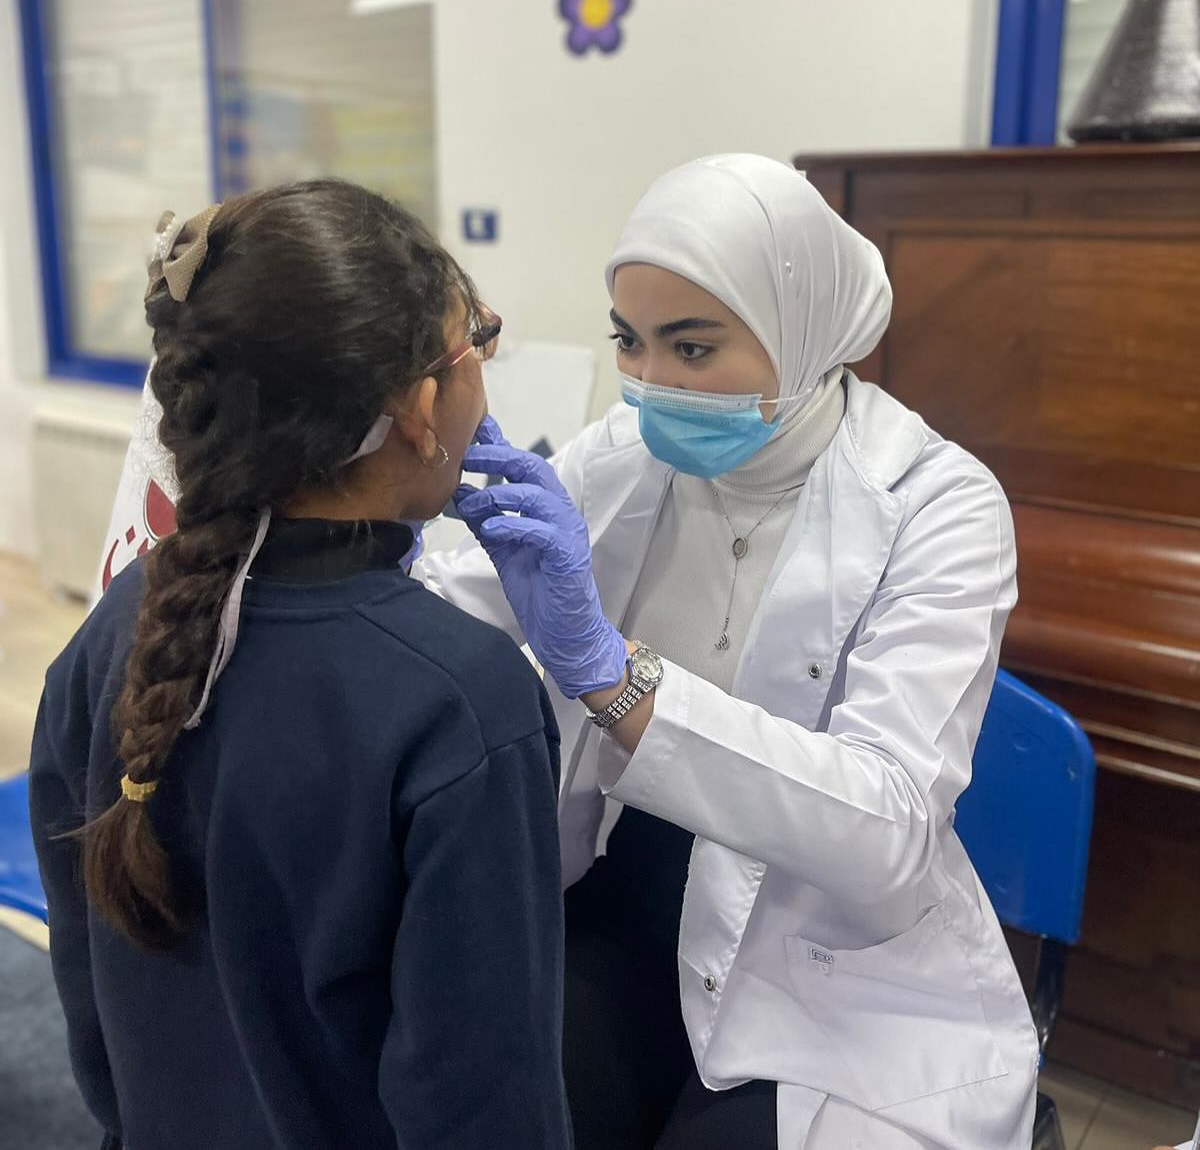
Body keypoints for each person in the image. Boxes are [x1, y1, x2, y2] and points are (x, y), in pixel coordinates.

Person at [421, 154, 1040, 1150]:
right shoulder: (621, 454)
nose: (650, 381)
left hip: (827, 948)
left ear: (801, 333)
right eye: (630, 341)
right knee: (500, 1107)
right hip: (626, 887)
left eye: (693, 347)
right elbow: (458, 605)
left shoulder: (938, 505)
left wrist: (615, 678)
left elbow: (887, 829)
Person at [29, 182, 571, 1150]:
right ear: (417, 408)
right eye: (477, 342)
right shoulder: (464, 706)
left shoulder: (116, 627)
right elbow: (487, 1102)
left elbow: (94, 1021)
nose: (485, 367)